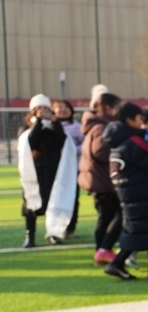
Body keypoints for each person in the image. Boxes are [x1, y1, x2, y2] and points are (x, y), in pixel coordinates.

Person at [102, 103, 148, 281]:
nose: (141, 123)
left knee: (147, 228)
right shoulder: (133, 140)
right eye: (139, 118)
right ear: (130, 119)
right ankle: (117, 263)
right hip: (143, 191)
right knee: (141, 229)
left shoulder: (117, 140)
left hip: (131, 191)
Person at [18, 94, 77, 248]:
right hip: (34, 171)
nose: (43, 111)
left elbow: (63, 141)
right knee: (31, 203)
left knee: (54, 200)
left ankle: (54, 233)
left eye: (45, 108)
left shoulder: (55, 125)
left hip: (54, 170)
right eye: (39, 108)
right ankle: (30, 236)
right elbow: (30, 142)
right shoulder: (27, 127)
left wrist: (54, 123)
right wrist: (38, 122)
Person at [79, 92, 123, 264]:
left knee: (106, 216)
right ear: (108, 107)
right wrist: (119, 153)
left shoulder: (97, 124)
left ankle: (102, 251)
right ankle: (104, 249)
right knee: (120, 214)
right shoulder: (101, 127)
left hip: (98, 178)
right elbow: (100, 151)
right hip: (102, 179)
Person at [51, 98, 83, 238]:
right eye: (59, 107)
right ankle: (54, 227)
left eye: (66, 107)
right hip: (53, 168)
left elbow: (85, 144)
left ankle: (70, 227)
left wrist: (71, 150)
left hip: (72, 168)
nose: (63, 110)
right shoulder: (49, 126)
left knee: (72, 198)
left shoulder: (77, 127)